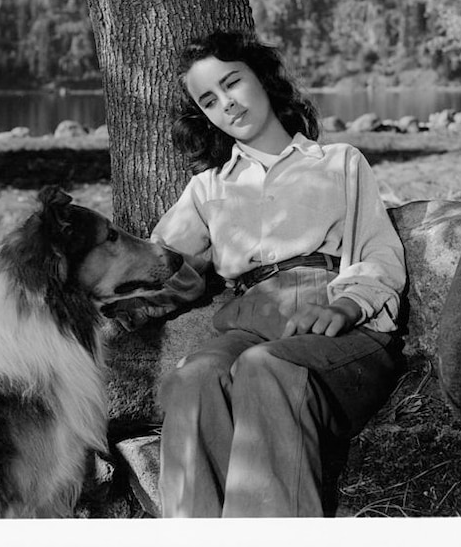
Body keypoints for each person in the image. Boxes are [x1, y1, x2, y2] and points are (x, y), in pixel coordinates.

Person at [147, 30, 407, 518]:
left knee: (267, 367)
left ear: (263, 80)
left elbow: (377, 248)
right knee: (193, 380)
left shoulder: (338, 162)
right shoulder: (207, 188)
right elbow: (160, 267)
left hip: (336, 319)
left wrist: (347, 303)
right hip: (248, 320)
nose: (227, 103)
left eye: (233, 83)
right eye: (209, 99)